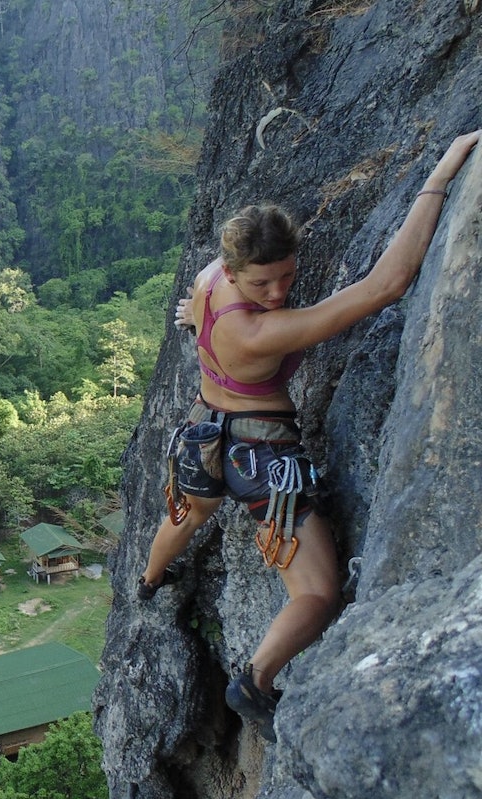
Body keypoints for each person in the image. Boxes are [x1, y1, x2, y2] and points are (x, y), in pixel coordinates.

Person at [137, 130, 480, 741]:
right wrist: (442, 174)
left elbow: (202, 311)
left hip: (205, 429)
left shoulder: (211, 277)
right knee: (319, 593)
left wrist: (196, 319)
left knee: (191, 511)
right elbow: (386, 285)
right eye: (262, 284)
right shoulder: (261, 332)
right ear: (237, 271)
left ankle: (150, 580)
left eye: (286, 278)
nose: (278, 293)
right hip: (261, 455)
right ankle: (256, 682)